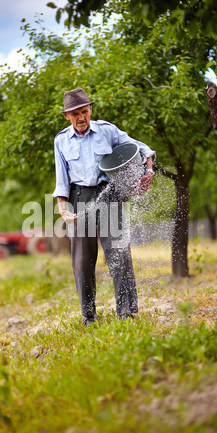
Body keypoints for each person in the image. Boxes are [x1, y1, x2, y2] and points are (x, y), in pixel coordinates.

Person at [52, 88, 156, 325]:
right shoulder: (60, 141)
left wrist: (148, 169)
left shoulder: (107, 131)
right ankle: (89, 317)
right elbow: (61, 179)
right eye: (75, 113)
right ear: (66, 116)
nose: (81, 117)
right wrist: (63, 208)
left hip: (108, 194)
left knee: (119, 253)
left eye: (85, 111)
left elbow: (141, 146)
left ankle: (126, 314)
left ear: (91, 110)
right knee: (81, 261)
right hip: (79, 198)